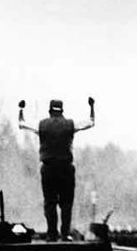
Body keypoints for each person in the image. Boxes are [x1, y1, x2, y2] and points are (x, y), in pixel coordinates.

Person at [19, 99, 94, 241]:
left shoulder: (42, 125)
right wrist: (91, 107)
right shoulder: (70, 125)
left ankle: (51, 234)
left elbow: (22, 124)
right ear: (62, 110)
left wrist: (21, 111)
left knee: (50, 203)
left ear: (49, 110)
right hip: (66, 168)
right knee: (66, 203)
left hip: (48, 169)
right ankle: (65, 234)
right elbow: (90, 122)